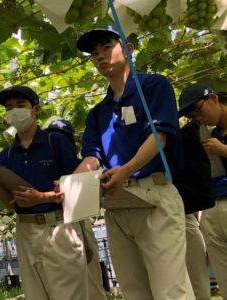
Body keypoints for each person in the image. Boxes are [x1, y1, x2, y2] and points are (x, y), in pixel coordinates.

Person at [75, 26, 192, 299]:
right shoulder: (98, 113)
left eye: (107, 47)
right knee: (135, 291)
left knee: (169, 291)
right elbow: (92, 158)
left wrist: (126, 168)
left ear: (128, 49)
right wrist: (73, 182)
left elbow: (159, 137)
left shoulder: (153, 86)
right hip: (117, 205)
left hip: (155, 198)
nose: (101, 56)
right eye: (94, 53)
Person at [0, 86, 104, 299]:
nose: (14, 111)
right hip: (25, 230)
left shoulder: (56, 142)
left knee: (69, 294)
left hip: (59, 227)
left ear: (35, 110)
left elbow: (82, 187)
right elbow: (13, 204)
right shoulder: (6, 157)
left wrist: (44, 197)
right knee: (35, 293)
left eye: (20, 105)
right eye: (9, 108)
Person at [45, 118, 107, 299]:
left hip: (75, 221)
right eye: (55, 137)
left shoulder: (79, 164)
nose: (59, 141)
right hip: (63, 223)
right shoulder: (52, 158)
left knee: (89, 276)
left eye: (63, 138)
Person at [178, 83, 227, 297]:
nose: (198, 117)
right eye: (192, 115)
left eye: (198, 109)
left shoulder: (215, 141)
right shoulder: (206, 134)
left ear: (213, 98)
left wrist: (224, 150)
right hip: (213, 207)